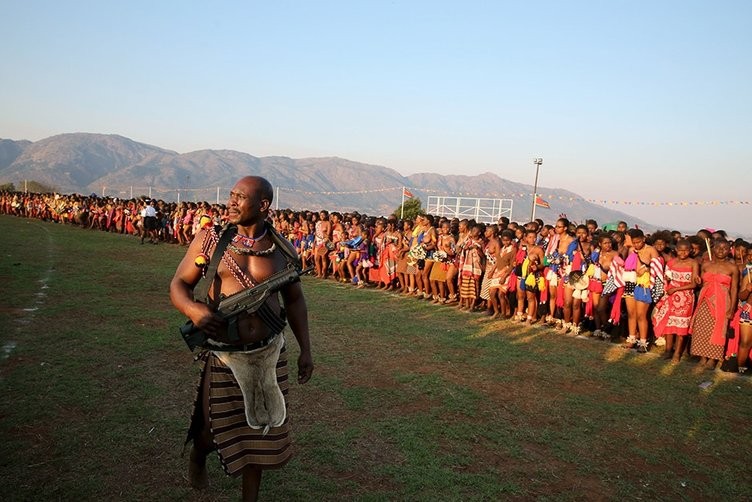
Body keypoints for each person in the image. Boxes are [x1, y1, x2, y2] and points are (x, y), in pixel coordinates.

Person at [169, 176, 314, 501]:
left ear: (263, 205)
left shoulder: (282, 250)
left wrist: (306, 349)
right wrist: (193, 311)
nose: (231, 202)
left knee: (259, 433)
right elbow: (179, 286)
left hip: (268, 354)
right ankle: (198, 454)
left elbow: (294, 300)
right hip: (224, 355)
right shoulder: (211, 240)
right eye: (231, 196)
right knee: (211, 429)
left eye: (240, 197)